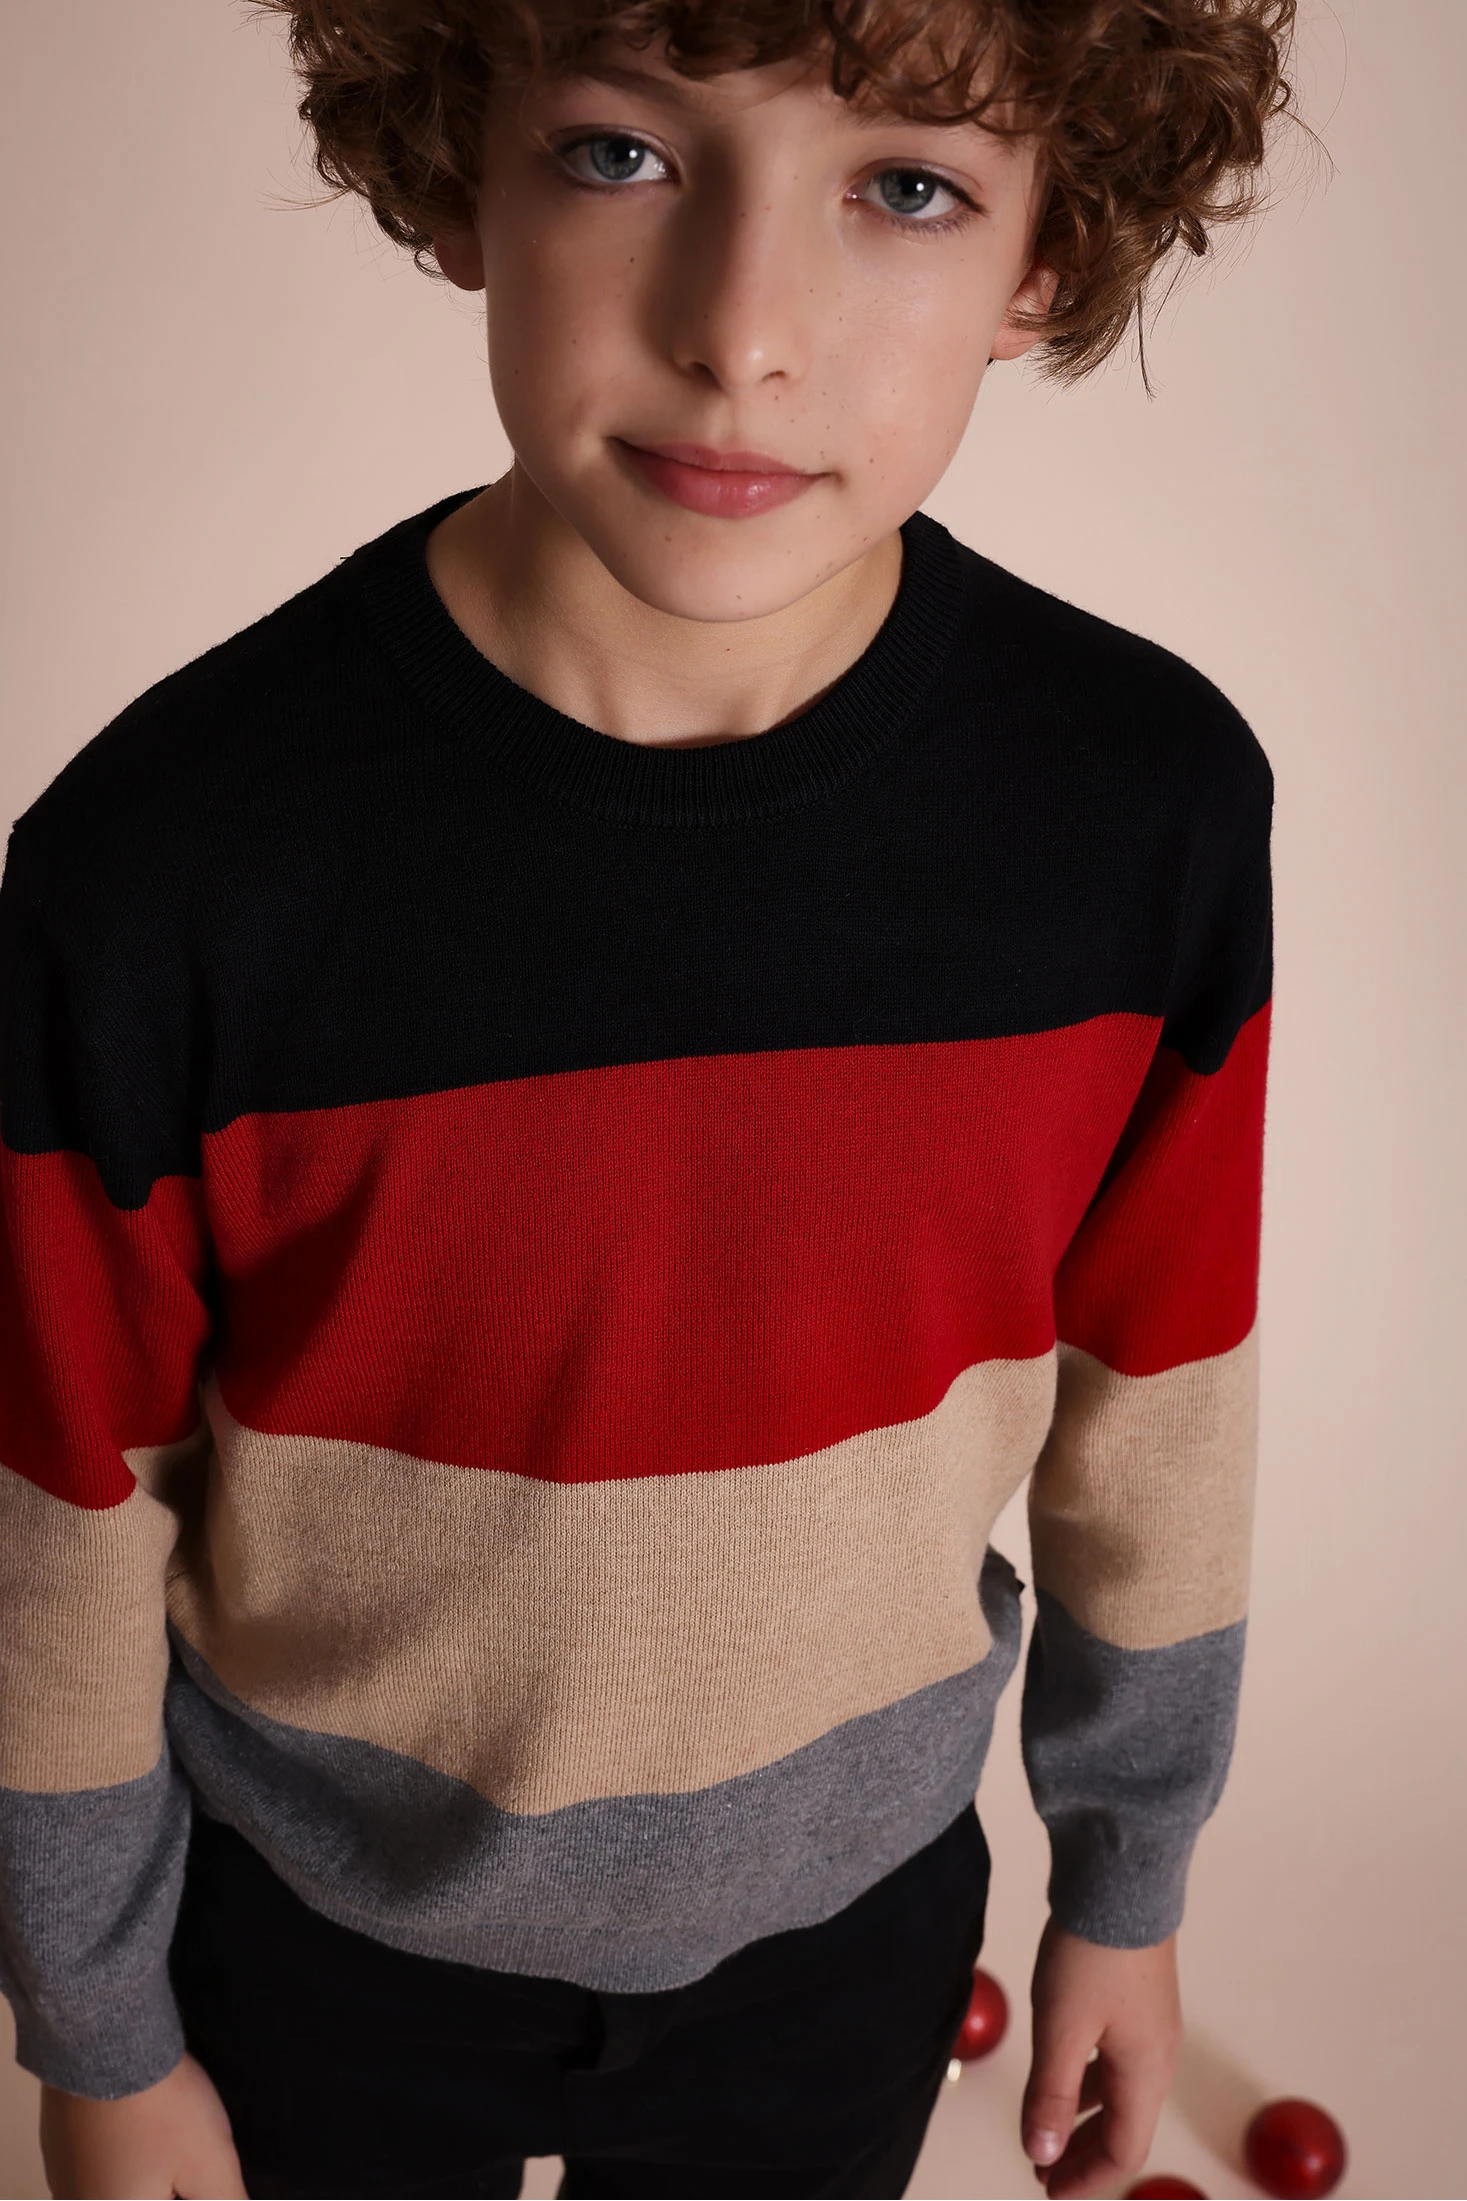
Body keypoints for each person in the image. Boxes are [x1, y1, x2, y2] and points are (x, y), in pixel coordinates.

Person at [0, 2, 1299, 2195]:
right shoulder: (168, 862)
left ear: (1047, 255)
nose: (740, 334)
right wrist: (100, 2033)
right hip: (305, 1932)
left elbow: (1156, 1408)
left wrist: (1126, 1879)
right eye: (621, 154)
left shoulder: (1139, 809)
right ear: (460, 173)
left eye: (907, 187)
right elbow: (51, 1510)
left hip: (850, 1931)